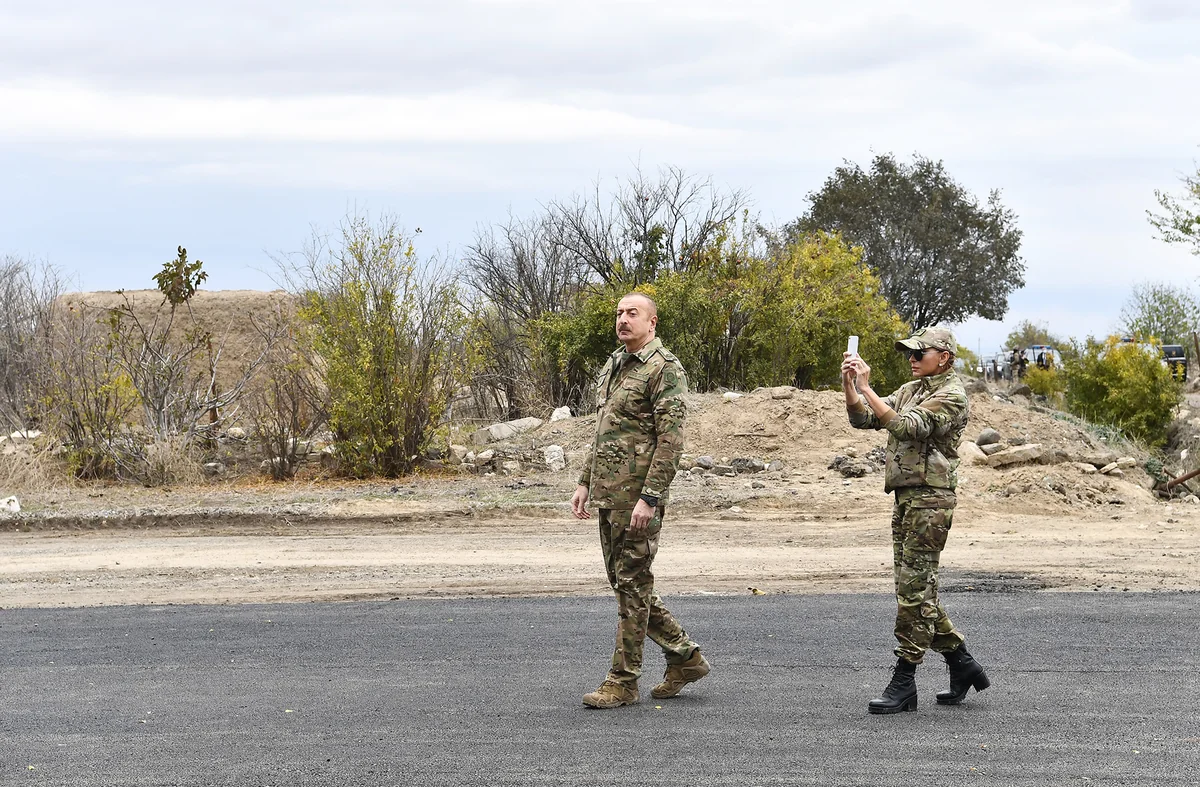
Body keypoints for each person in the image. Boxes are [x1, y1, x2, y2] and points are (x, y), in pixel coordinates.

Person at [840, 326, 990, 715]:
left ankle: (904, 680)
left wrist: (869, 387)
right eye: (908, 353)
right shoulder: (912, 389)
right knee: (915, 590)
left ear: (943, 356)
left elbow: (908, 426)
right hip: (908, 497)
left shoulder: (951, 395)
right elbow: (864, 421)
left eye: (918, 353)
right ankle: (962, 663)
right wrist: (852, 387)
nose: (911, 359)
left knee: (913, 592)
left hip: (932, 500)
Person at [571, 292, 709, 709]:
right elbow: (604, 430)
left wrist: (650, 497)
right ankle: (684, 657)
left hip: (638, 498)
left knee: (631, 582)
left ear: (652, 322)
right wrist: (583, 480)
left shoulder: (664, 369)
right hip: (609, 494)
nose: (623, 319)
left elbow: (671, 441)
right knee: (625, 581)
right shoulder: (614, 364)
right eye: (619, 313)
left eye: (633, 313)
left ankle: (623, 680)